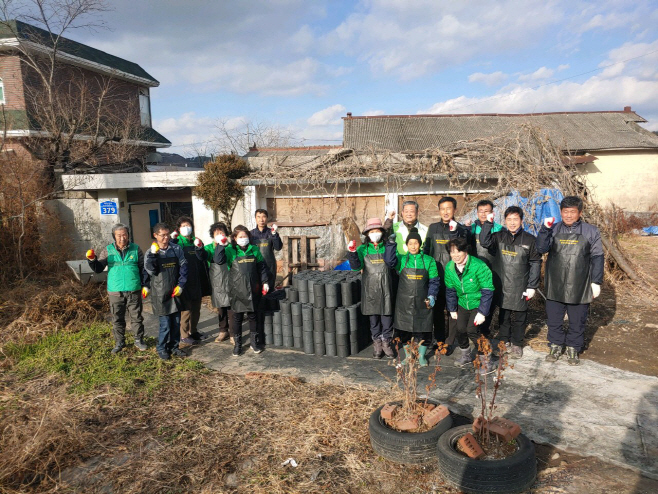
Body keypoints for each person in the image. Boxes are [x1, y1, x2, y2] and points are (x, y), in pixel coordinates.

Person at [536, 196, 603, 366]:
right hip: (555, 283)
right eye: (565, 212)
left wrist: (596, 281)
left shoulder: (590, 231)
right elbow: (541, 249)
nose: (568, 215)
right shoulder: (554, 228)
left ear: (580, 212)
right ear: (560, 212)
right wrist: (544, 229)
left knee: (577, 319)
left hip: (580, 284)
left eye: (572, 212)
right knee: (554, 318)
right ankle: (556, 345)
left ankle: (574, 347)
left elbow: (597, 257)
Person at [480, 206, 542, 358]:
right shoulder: (499, 236)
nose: (512, 223)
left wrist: (532, 286)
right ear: (505, 221)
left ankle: (517, 344)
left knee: (520, 316)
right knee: (504, 315)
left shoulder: (529, 239)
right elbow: (484, 241)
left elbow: (535, 262)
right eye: (509, 219)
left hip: (521, 283)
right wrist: (488, 224)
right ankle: (504, 341)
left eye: (515, 219)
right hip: (502, 283)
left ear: (521, 221)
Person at [86, 223, 148, 354]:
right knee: (117, 318)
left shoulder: (136, 249)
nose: (122, 238)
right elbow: (98, 268)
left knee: (136, 317)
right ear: (114, 236)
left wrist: (146, 285)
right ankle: (120, 342)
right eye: (119, 235)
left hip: (134, 289)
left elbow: (143, 269)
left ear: (128, 235)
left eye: (124, 234)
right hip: (115, 291)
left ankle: (139, 340)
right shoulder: (107, 250)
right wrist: (92, 259)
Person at [384, 227, 440, 366]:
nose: (413, 246)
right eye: (410, 243)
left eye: (416, 243)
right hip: (404, 302)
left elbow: (434, 280)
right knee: (404, 331)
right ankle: (408, 356)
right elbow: (390, 261)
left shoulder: (429, 260)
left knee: (425, 330)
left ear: (419, 244)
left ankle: (421, 356)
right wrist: (391, 244)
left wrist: (432, 295)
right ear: (407, 245)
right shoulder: (402, 259)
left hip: (423, 301)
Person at [214, 225, 270, 356]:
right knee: (237, 318)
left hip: (253, 290)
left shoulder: (254, 249)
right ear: (234, 238)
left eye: (245, 236)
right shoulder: (230, 251)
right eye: (240, 237)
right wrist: (221, 246)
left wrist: (265, 282)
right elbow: (218, 260)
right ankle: (238, 345)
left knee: (253, 317)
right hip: (236, 291)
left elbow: (261, 267)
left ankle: (254, 343)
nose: (243, 239)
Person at [423, 196, 470, 345]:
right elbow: (427, 251)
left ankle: (450, 341)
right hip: (436, 276)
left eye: (448, 208)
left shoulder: (461, 229)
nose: (445, 212)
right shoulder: (433, 228)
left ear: (454, 210)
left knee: (453, 311)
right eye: (442, 209)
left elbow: (465, 253)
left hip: (454, 277)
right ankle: (440, 340)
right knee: (437, 311)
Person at [444, 236, 495, 371]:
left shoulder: (478, 266)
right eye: (452, 252)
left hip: (478, 303)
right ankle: (466, 355)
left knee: (472, 330)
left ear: (465, 251)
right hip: (463, 303)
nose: (455, 255)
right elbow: (450, 290)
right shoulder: (449, 267)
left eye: (458, 251)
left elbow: (488, 289)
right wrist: (452, 309)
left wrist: (482, 312)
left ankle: (486, 359)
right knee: (460, 329)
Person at [347, 217, 395, 359]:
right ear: (367, 234)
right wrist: (352, 253)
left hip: (386, 288)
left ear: (382, 232)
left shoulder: (387, 247)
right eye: (372, 231)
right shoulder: (363, 249)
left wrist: (392, 246)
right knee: (374, 319)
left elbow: (393, 263)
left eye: (377, 231)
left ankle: (386, 342)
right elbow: (357, 268)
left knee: (387, 318)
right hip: (370, 290)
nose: (375, 233)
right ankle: (377, 344)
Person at [144, 222, 188, 361]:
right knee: (165, 325)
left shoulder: (176, 248)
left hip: (175, 292)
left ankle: (174, 347)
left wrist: (181, 284)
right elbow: (150, 270)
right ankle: (162, 348)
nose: (166, 238)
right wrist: (153, 255)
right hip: (160, 293)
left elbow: (184, 266)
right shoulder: (150, 252)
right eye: (162, 235)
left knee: (176, 322)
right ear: (155, 235)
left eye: (167, 235)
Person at [465, 199, 504, 337]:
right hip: (475, 271)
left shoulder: (499, 229)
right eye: (480, 211)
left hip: (493, 269)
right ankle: (474, 331)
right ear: (477, 212)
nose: (483, 214)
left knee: (490, 302)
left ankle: (485, 331)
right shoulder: (472, 228)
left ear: (492, 213)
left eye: (486, 211)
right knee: (476, 300)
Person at [171, 216, 211, 346]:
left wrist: (200, 248)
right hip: (184, 281)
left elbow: (203, 257)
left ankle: (193, 331)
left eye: (188, 225)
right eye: (183, 226)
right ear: (178, 229)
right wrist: (172, 239)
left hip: (197, 279)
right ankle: (183, 335)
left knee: (196, 308)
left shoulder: (196, 241)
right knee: (186, 310)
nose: (186, 228)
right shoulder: (176, 243)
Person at [197, 221, 234, 343]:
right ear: (213, 235)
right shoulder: (209, 248)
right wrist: (199, 248)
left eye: (221, 232)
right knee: (221, 307)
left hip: (231, 279)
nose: (219, 234)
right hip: (217, 281)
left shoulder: (231, 247)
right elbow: (203, 256)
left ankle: (234, 332)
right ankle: (223, 331)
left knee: (232, 306)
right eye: (217, 232)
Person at [250, 208, 281, 291]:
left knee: (269, 289)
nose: (261, 219)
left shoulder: (271, 233)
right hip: (255, 265)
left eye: (264, 217)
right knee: (256, 289)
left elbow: (278, 247)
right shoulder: (251, 234)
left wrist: (274, 234)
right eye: (258, 217)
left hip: (269, 266)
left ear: (267, 218)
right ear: (255, 218)